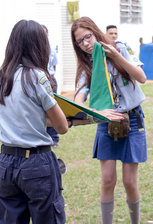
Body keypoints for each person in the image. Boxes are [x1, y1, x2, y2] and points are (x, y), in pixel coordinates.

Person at [71, 17, 147, 224]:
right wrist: (96, 112)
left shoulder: (120, 48)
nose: (86, 43)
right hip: (106, 124)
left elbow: (141, 77)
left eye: (88, 36)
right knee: (107, 180)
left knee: (130, 182)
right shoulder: (87, 65)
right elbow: (78, 101)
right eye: (80, 41)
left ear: (95, 32)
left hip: (132, 120)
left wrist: (116, 56)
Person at [0, 20, 68, 224]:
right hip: (36, 163)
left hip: (5, 161)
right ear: (38, 45)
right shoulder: (37, 77)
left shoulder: (3, 77)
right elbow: (62, 127)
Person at [42, 24, 60, 147]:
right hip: (40, 80)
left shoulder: (51, 49)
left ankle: (53, 138)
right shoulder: (33, 49)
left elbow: (54, 66)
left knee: (52, 109)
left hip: (50, 80)